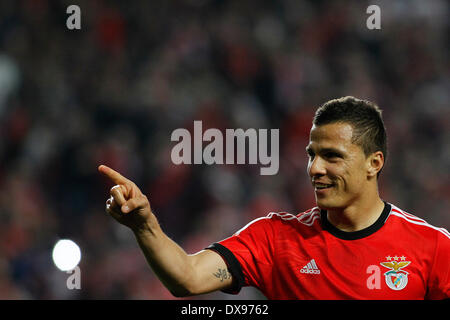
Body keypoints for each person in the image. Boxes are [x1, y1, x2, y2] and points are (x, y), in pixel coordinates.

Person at [98, 96, 449, 299]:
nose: (315, 169)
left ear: (375, 163)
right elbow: (187, 277)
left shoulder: (432, 247)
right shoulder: (276, 239)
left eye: (332, 156)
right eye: (312, 155)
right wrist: (144, 225)